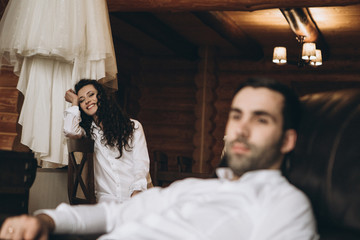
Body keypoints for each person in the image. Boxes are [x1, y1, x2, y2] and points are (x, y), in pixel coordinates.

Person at [0, 77, 319, 240]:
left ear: (288, 140)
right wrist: (45, 220)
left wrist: (139, 187)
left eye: (261, 119)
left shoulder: (283, 203)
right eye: (237, 116)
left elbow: (140, 164)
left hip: (128, 190)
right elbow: (112, 217)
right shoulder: (191, 188)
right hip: (111, 203)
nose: (242, 129)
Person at [64, 79, 151, 203]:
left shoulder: (133, 126)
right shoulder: (88, 132)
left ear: (102, 96)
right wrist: (74, 102)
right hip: (106, 200)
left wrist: (137, 190)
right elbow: (69, 130)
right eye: (82, 100)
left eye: (91, 95)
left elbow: (141, 164)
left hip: (134, 196)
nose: (87, 101)